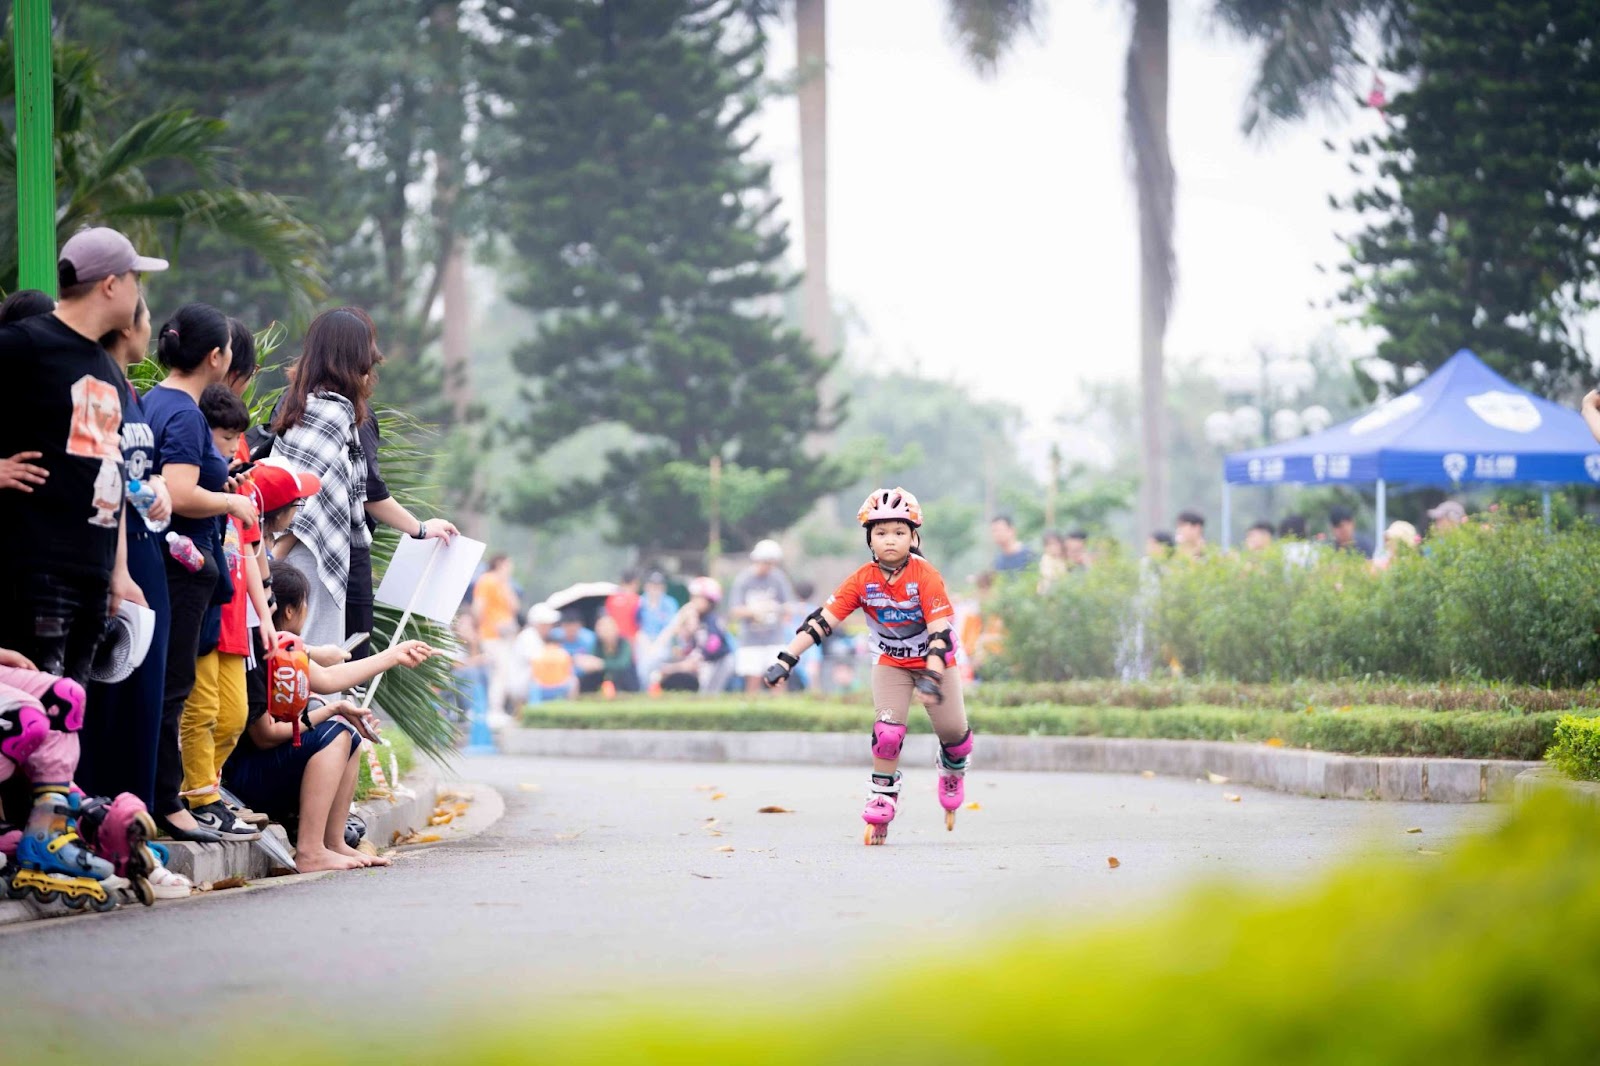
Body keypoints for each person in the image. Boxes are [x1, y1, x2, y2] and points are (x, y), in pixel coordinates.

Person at [0, 227, 163, 687]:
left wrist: (117, 571)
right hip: (35, 576)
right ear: (111, 285)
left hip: (92, 579)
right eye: (135, 280)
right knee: (31, 727)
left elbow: (106, 466)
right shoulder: (25, 344)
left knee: (69, 728)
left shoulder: (107, 367)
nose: (137, 294)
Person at [763, 488, 972, 846]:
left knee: (954, 734)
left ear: (913, 536)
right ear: (869, 540)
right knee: (888, 732)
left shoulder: (926, 576)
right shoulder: (863, 579)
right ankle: (882, 797)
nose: (890, 540)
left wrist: (933, 675)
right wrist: (786, 659)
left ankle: (951, 769)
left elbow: (941, 634)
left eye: (899, 532)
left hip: (935, 662)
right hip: (890, 662)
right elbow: (821, 622)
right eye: (881, 533)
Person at [222, 562, 436, 872]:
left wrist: (394, 655)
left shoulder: (286, 651)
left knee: (348, 734)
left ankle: (332, 843)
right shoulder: (256, 650)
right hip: (244, 780)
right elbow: (265, 736)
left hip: (266, 769)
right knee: (334, 733)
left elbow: (331, 678)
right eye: (305, 602)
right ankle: (309, 851)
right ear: (291, 611)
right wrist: (331, 710)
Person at [142, 301, 258, 842]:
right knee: (175, 687)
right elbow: (180, 492)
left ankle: (151, 796)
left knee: (162, 685)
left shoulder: (152, 401)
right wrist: (231, 505)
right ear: (215, 357)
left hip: (155, 562)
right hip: (181, 570)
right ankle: (168, 803)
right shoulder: (187, 413)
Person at [340, 306, 457, 660]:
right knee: (349, 656)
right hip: (344, 559)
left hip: (291, 560)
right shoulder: (351, 412)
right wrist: (420, 528)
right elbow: (369, 492)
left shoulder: (291, 404)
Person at [177, 384, 260, 841]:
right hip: (202, 608)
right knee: (201, 708)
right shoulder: (199, 486)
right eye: (226, 440)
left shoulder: (225, 487)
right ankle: (200, 798)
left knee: (232, 715)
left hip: (230, 614)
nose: (232, 449)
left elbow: (251, 550)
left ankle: (211, 787)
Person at [270, 308, 377, 649]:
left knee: (300, 656)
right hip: (308, 556)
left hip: (293, 556)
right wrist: (275, 556)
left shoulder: (302, 403)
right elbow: (298, 495)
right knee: (313, 658)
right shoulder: (332, 413)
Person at [729, 539, 796, 693]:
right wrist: (755, 611)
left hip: (774, 638)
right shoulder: (743, 580)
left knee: (778, 678)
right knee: (753, 680)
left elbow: (788, 605)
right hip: (750, 639)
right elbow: (735, 610)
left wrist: (775, 608)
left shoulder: (778, 578)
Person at [655, 577, 734, 694]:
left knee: (709, 693)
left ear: (710, 600)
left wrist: (698, 657)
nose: (694, 601)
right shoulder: (698, 619)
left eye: (698, 598)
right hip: (708, 662)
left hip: (720, 661)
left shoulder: (712, 620)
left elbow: (713, 644)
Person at [472, 555, 520, 719]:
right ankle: (494, 710)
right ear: (500, 564)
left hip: (505, 634)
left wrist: (506, 584)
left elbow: (515, 607)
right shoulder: (486, 580)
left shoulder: (504, 583)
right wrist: (478, 629)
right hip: (491, 633)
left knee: (503, 672)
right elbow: (479, 607)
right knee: (499, 672)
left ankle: (497, 709)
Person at [634, 570, 681, 681]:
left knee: (652, 657)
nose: (655, 588)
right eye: (652, 585)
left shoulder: (669, 603)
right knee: (644, 659)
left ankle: (645, 688)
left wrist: (657, 644)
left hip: (663, 641)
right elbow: (637, 625)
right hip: (643, 640)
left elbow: (671, 627)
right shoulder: (640, 602)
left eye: (658, 585)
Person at [555, 609, 606, 694]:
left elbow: (592, 660)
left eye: (573, 629)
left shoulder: (589, 638)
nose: (571, 632)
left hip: (584, 674)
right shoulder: (555, 637)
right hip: (561, 673)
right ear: (562, 626)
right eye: (568, 628)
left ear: (580, 626)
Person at [593, 615, 640, 693]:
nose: (605, 632)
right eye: (602, 629)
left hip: (625, 679)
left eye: (607, 628)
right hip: (604, 678)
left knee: (625, 673)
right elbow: (593, 662)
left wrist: (602, 664)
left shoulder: (624, 643)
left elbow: (623, 663)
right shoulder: (597, 644)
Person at [604, 569, 642, 644]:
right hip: (631, 641)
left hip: (614, 641)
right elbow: (639, 622)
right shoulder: (637, 600)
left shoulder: (611, 599)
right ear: (635, 582)